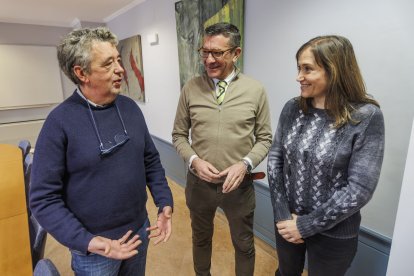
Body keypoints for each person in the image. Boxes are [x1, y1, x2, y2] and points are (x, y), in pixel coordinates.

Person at [29, 27, 173, 275]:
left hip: (139, 231)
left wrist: (164, 202)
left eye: (118, 59)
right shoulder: (59, 122)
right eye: (108, 64)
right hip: (95, 250)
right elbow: (43, 199)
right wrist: (89, 242)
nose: (120, 69)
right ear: (81, 73)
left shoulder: (130, 108)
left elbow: (150, 160)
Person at [267, 35, 385, 276]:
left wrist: (306, 226)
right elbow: (275, 159)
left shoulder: (366, 116)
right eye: (299, 68)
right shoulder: (293, 108)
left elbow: (360, 188)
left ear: (335, 70)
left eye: (307, 69)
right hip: (287, 221)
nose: (299, 77)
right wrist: (282, 215)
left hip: (334, 234)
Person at [172, 22, 272, 276]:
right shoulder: (191, 88)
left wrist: (245, 164)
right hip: (199, 185)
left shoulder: (255, 90)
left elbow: (265, 138)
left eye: (217, 52)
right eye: (204, 51)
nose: (209, 59)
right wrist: (193, 160)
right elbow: (179, 135)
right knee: (201, 240)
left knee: (244, 245)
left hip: (238, 187)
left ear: (236, 53)